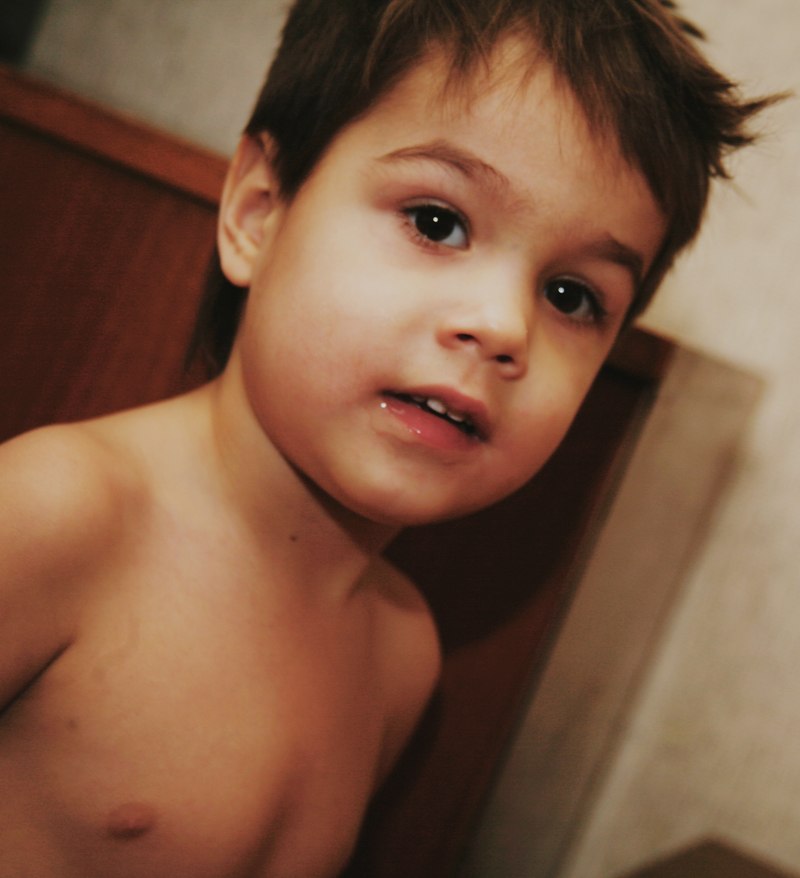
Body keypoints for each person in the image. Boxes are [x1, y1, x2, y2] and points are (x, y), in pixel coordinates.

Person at [0, 1, 774, 876]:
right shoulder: (53, 516)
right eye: (437, 222)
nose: (503, 324)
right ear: (259, 212)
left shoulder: (400, 659)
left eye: (571, 296)